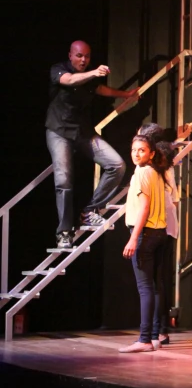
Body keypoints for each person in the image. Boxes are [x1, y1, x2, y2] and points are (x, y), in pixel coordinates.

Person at [46, 40, 138, 249]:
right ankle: (64, 232)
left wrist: (126, 95)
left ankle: (90, 211)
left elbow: (101, 90)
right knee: (64, 180)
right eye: (79, 56)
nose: (83, 60)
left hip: (83, 133)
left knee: (117, 165)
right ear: (70, 55)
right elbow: (69, 80)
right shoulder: (59, 70)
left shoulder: (90, 78)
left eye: (87, 56)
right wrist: (94, 72)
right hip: (59, 131)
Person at [119, 134, 170, 353]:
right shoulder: (156, 172)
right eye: (133, 150)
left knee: (145, 288)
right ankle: (156, 335)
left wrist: (133, 238)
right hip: (159, 233)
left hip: (146, 234)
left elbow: (144, 208)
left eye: (141, 150)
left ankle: (145, 339)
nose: (136, 154)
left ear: (151, 153)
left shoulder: (142, 173)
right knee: (155, 286)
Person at [138, 123, 179, 348]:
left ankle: (157, 332)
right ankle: (159, 331)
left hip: (157, 224)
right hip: (167, 224)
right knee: (160, 280)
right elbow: (174, 198)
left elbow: (168, 198)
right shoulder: (164, 163)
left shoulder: (151, 167)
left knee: (155, 281)